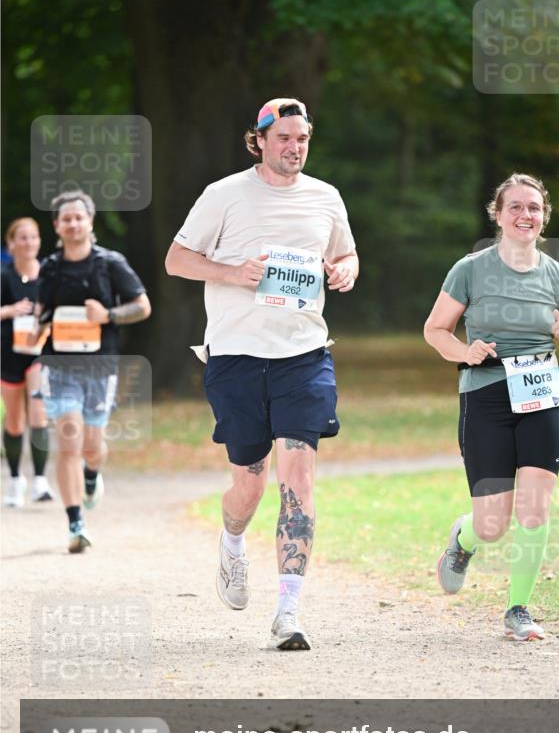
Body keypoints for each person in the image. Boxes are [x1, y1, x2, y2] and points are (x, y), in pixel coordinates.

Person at [165, 97, 358, 651]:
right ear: (260, 141)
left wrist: (344, 271)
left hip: (304, 355)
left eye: (302, 139)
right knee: (249, 483)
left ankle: (289, 612)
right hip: (236, 358)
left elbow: (348, 255)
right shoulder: (223, 194)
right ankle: (230, 542)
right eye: (283, 139)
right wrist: (233, 272)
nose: (294, 148)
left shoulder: (326, 198)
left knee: (297, 478)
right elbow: (176, 260)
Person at [424, 173, 559, 640]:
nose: (526, 215)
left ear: (545, 217)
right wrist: (466, 352)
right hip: (487, 394)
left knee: (535, 509)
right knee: (493, 524)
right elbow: (435, 330)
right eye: (515, 207)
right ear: (497, 215)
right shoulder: (470, 269)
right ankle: (463, 539)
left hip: (543, 392)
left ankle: (518, 609)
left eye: (534, 208)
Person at [33, 191, 151, 552]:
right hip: (60, 368)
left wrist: (109, 316)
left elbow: (142, 306)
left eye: (78, 217)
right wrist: (38, 326)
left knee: (92, 447)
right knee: (68, 443)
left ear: (90, 221)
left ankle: (91, 475)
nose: (72, 224)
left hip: (100, 369)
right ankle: (75, 524)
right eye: (65, 219)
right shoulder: (50, 267)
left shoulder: (110, 263)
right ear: (56, 226)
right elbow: (40, 313)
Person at [1, 217, 54, 506]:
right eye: (22, 237)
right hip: (8, 353)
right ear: (12, 244)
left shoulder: (48, 274)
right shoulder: (3, 275)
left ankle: (40, 481)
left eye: (33, 237)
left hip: (40, 352)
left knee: (38, 413)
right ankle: (14, 480)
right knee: (14, 421)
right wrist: (10, 310)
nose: (29, 242)